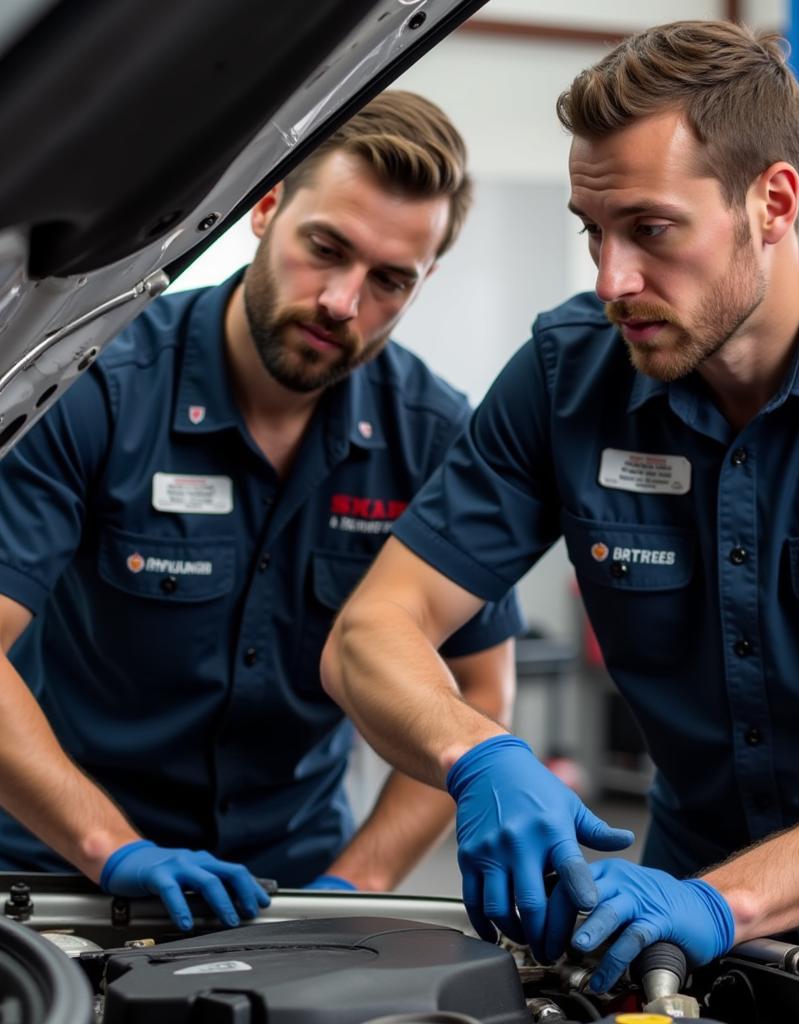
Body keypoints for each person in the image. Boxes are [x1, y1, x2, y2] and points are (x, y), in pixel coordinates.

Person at [323, 21, 799, 1003]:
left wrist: (718, 902)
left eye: (649, 230)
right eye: (591, 231)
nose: (611, 281)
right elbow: (369, 631)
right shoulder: (569, 376)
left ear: (770, 201)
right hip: (675, 942)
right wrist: (472, 747)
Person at [0, 91, 522, 931]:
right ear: (266, 206)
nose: (343, 304)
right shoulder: (98, 387)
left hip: (289, 888)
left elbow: (478, 686)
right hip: (61, 874)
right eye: (326, 249)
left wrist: (354, 889)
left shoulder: (430, 436)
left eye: (390, 280)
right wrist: (110, 848)